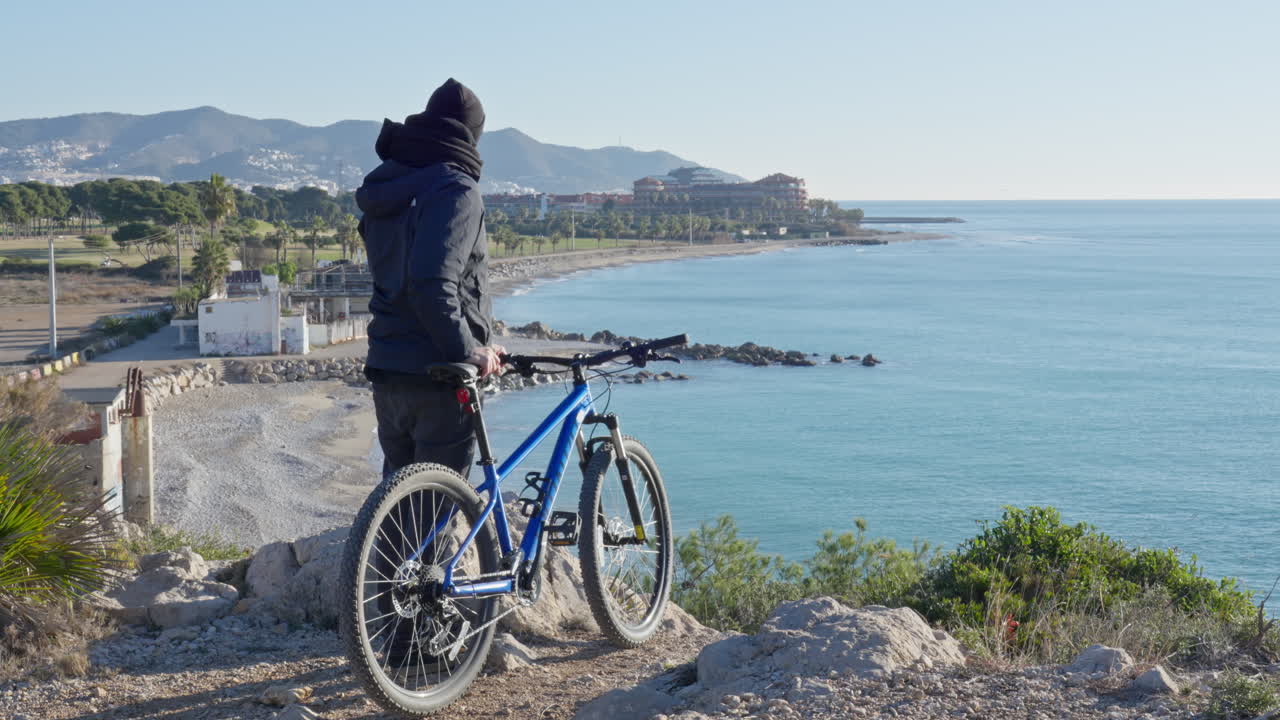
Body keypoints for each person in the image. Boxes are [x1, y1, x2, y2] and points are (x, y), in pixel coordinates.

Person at [356, 78, 504, 481]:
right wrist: (466, 347)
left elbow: (401, 278)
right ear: (473, 135)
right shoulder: (456, 190)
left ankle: (377, 547)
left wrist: (476, 340)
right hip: (439, 373)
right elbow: (431, 282)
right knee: (436, 509)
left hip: (389, 367)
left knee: (398, 500)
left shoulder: (388, 186)